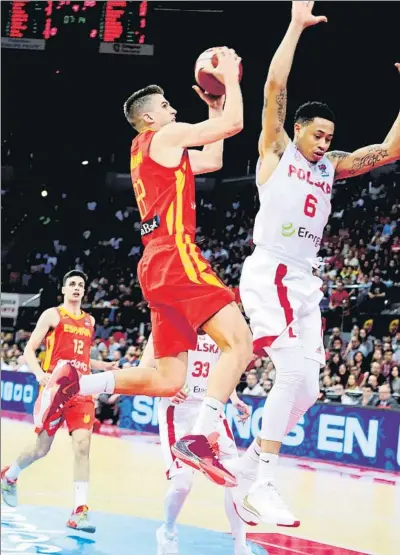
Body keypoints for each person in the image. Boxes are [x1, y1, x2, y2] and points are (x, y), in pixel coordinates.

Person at [235, 0, 400, 527]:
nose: (324, 143)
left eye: (329, 138)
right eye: (317, 134)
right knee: (291, 371)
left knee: (311, 387)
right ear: (297, 130)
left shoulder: (331, 167)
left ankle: (249, 466)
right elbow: (274, 89)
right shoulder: (277, 151)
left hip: (303, 280)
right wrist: (295, 26)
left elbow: (388, 150)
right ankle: (264, 480)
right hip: (269, 269)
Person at [35, 48, 253, 488]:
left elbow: (213, 160)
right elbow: (235, 124)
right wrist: (231, 83)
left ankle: (78, 381)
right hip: (175, 254)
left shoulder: (148, 149)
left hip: (153, 265)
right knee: (241, 343)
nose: (175, 109)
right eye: (168, 106)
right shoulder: (165, 138)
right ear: (150, 118)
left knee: (170, 378)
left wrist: (213, 111)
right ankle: (201, 437)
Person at [1, 270, 117, 532]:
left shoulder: (89, 321)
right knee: (41, 449)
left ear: (84, 291)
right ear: (64, 290)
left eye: (81, 285)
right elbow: (30, 349)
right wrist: (40, 373)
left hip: (81, 390)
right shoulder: (52, 315)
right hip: (55, 389)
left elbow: (83, 359)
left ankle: (80, 511)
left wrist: (105, 365)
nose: (76, 288)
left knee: (83, 446)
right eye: (72, 284)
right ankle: (9, 476)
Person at [140, 332, 252, 555]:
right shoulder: (167, 322)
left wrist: (235, 398)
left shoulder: (219, 324)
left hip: (211, 410)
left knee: (234, 477)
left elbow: (224, 370)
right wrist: (167, 389)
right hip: (178, 412)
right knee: (182, 483)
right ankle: (168, 531)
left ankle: (240, 546)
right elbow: (144, 370)